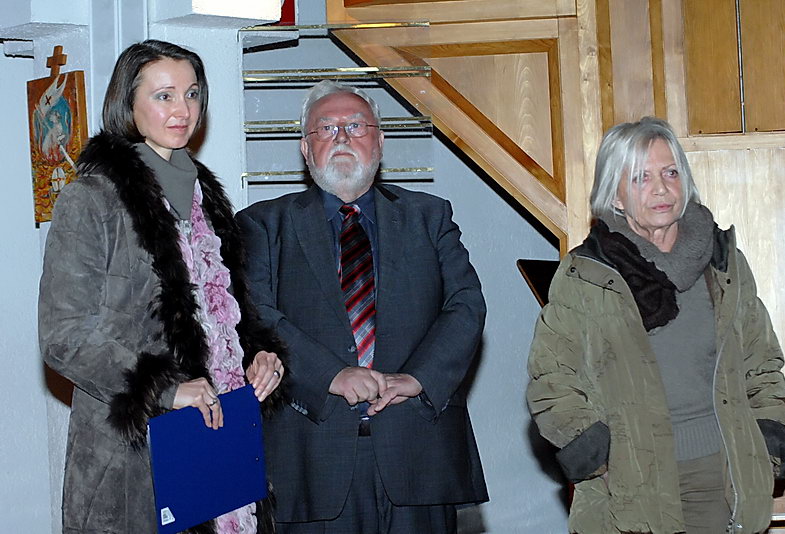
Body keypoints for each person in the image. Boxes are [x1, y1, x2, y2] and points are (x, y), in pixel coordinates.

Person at [38, 40, 286, 534]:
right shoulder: (92, 199)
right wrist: (167, 388)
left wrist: (259, 354)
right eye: (164, 96)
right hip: (134, 451)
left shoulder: (207, 199)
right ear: (127, 104)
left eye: (192, 94)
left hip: (221, 439)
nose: (183, 110)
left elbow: (221, 318)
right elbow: (64, 336)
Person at [235, 80, 488, 534]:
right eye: (325, 128)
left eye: (355, 126)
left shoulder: (430, 216)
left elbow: (466, 305)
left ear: (380, 142)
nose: (342, 137)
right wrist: (331, 375)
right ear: (305, 149)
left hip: (419, 455)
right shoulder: (262, 224)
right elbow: (257, 315)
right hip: (310, 461)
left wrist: (418, 378)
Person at [527, 116, 785, 534]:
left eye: (670, 173)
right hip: (630, 485)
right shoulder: (586, 275)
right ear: (615, 196)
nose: (661, 188)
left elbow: (760, 362)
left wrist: (768, 437)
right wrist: (599, 457)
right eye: (640, 177)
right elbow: (551, 380)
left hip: (721, 476)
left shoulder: (723, 263)